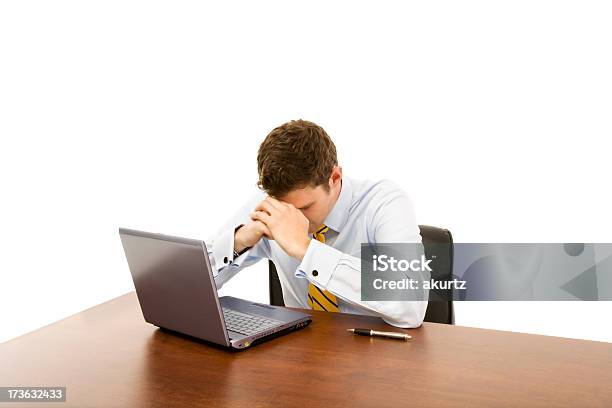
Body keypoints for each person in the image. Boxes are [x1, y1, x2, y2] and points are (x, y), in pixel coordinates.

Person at [206, 119, 427, 328]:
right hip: (302, 353)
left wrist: (306, 250)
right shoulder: (272, 206)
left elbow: (412, 307)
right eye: (286, 208)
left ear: (335, 177)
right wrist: (238, 242)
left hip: (379, 352)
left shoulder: (384, 202)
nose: (294, 219)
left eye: (304, 208)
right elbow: (193, 285)